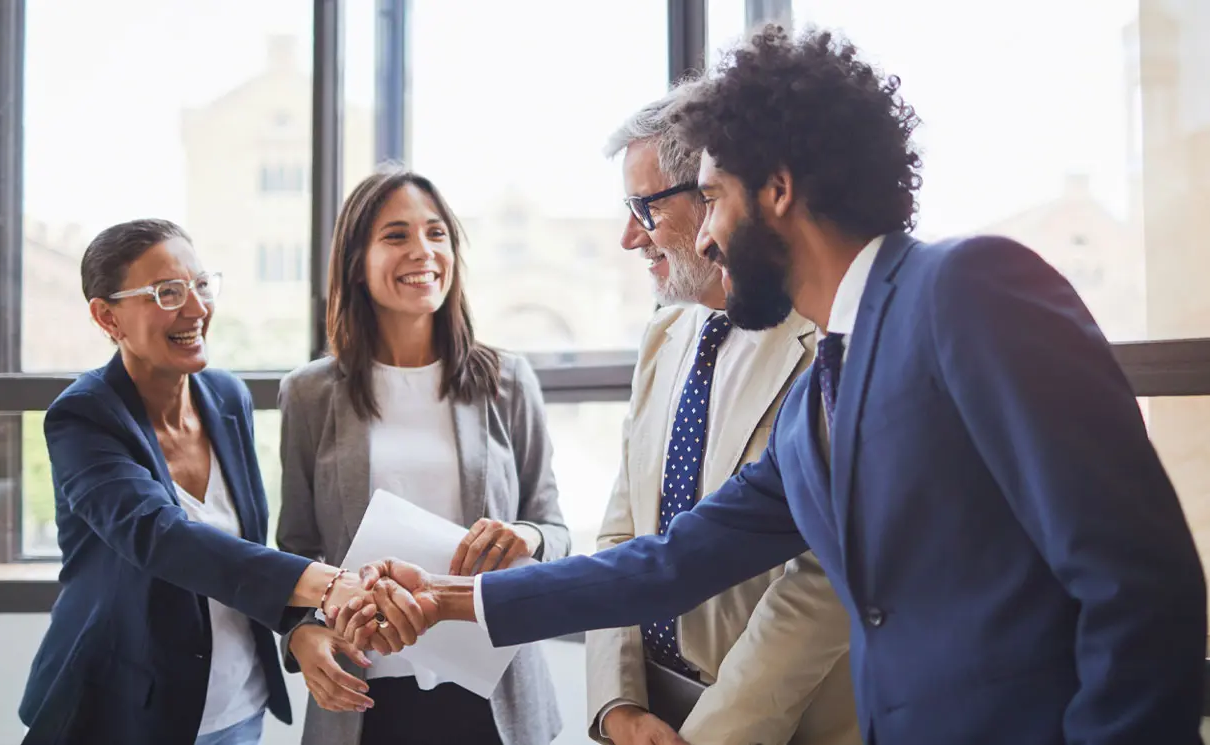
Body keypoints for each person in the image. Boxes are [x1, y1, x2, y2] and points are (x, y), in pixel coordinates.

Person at [344, 26, 1208, 745]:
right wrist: (449, 599)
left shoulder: (968, 288)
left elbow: (1139, 584)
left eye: (712, 198)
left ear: (779, 192)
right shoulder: (815, 399)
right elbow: (667, 562)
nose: (708, 236)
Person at [17, 219, 425, 745]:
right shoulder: (83, 417)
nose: (195, 308)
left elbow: (245, 546)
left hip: (235, 708)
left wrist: (300, 623)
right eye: (166, 292)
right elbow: (160, 537)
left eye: (200, 285)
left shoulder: (225, 398)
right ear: (106, 316)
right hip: (121, 713)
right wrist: (327, 583)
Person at [588, 90, 857, 745]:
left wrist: (712, 735)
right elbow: (621, 534)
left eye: (645, 207)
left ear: (714, 194)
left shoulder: (822, 342)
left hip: (776, 725)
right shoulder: (664, 334)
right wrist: (616, 704)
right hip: (652, 706)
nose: (630, 236)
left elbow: (820, 580)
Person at [275, 166, 570, 745]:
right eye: (396, 236)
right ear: (356, 263)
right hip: (365, 692)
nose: (423, 251)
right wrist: (300, 633)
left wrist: (527, 537)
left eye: (436, 234)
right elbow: (297, 550)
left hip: (493, 689)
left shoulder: (507, 380)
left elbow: (554, 527)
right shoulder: (309, 394)